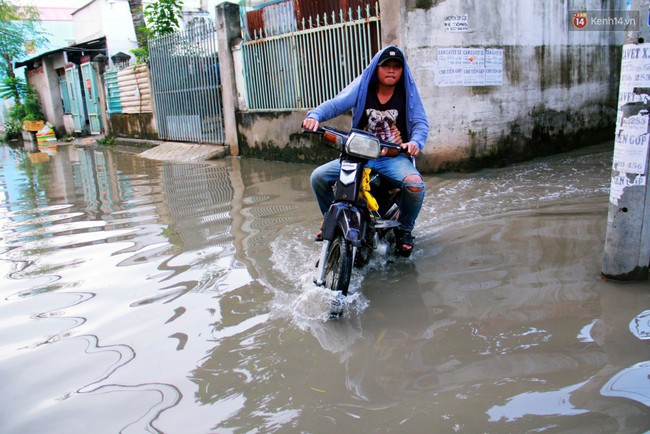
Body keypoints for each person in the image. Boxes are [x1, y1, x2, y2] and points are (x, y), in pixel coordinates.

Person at [302, 45, 429, 256]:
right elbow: (336, 104)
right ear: (376, 68)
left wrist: (415, 142)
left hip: (391, 157)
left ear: (402, 70)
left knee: (416, 186)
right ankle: (330, 218)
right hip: (358, 156)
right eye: (386, 66)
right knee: (318, 177)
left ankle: (404, 230)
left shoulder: (407, 93)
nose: (391, 70)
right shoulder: (363, 88)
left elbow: (420, 123)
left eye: (396, 67)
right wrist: (314, 116)